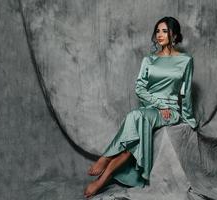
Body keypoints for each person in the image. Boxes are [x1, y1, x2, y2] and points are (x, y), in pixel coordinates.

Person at [83, 16, 197, 198]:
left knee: (137, 117)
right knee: (137, 124)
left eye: (164, 31)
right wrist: (158, 104)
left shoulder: (185, 61)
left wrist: (189, 120)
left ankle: (105, 160)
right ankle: (103, 179)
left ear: (174, 35)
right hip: (152, 109)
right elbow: (139, 89)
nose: (159, 35)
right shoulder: (149, 61)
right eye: (157, 31)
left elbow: (186, 92)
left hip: (170, 111)